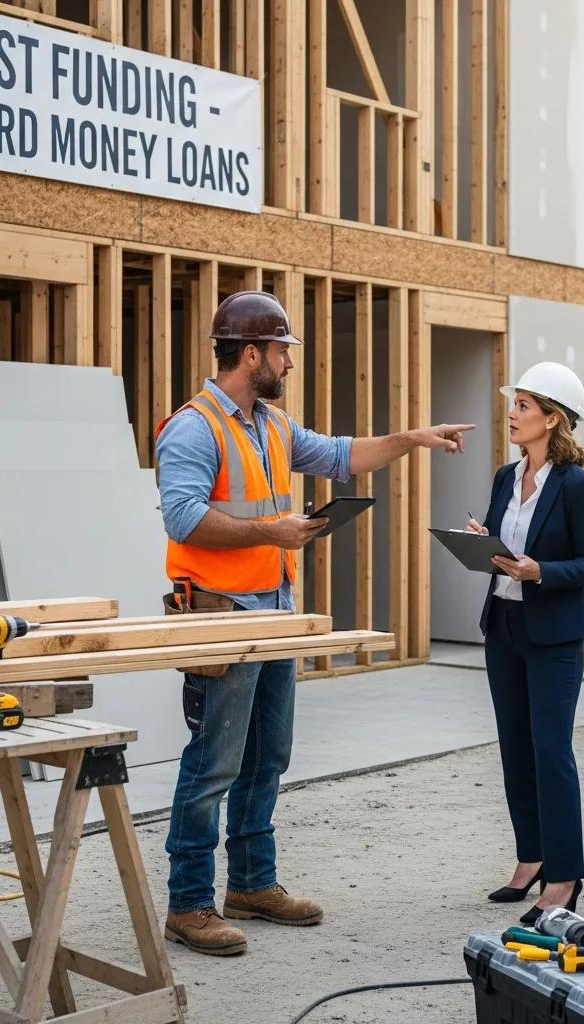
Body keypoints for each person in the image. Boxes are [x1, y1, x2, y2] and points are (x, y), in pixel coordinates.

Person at [155, 290, 473, 955]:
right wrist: (272, 529)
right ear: (252, 354)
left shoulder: (272, 424)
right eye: (281, 351)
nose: (288, 363)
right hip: (219, 616)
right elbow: (183, 518)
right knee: (213, 763)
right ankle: (188, 903)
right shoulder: (193, 427)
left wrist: (411, 439)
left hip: (274, 612)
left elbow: (341, 455)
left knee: (267, 756)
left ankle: (251, 883)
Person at [466, 361, 584, 926]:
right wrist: (485, 547)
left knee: (551, 753)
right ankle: (531, 856)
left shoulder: (578, 485)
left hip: (554, 636)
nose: (513, 414)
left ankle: (564, 875)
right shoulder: (506, 476)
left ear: (552, 419)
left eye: (523, 405)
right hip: (503, 627)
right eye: (514, 403)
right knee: (514, 749)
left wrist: (538, 570)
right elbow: (507, 550)